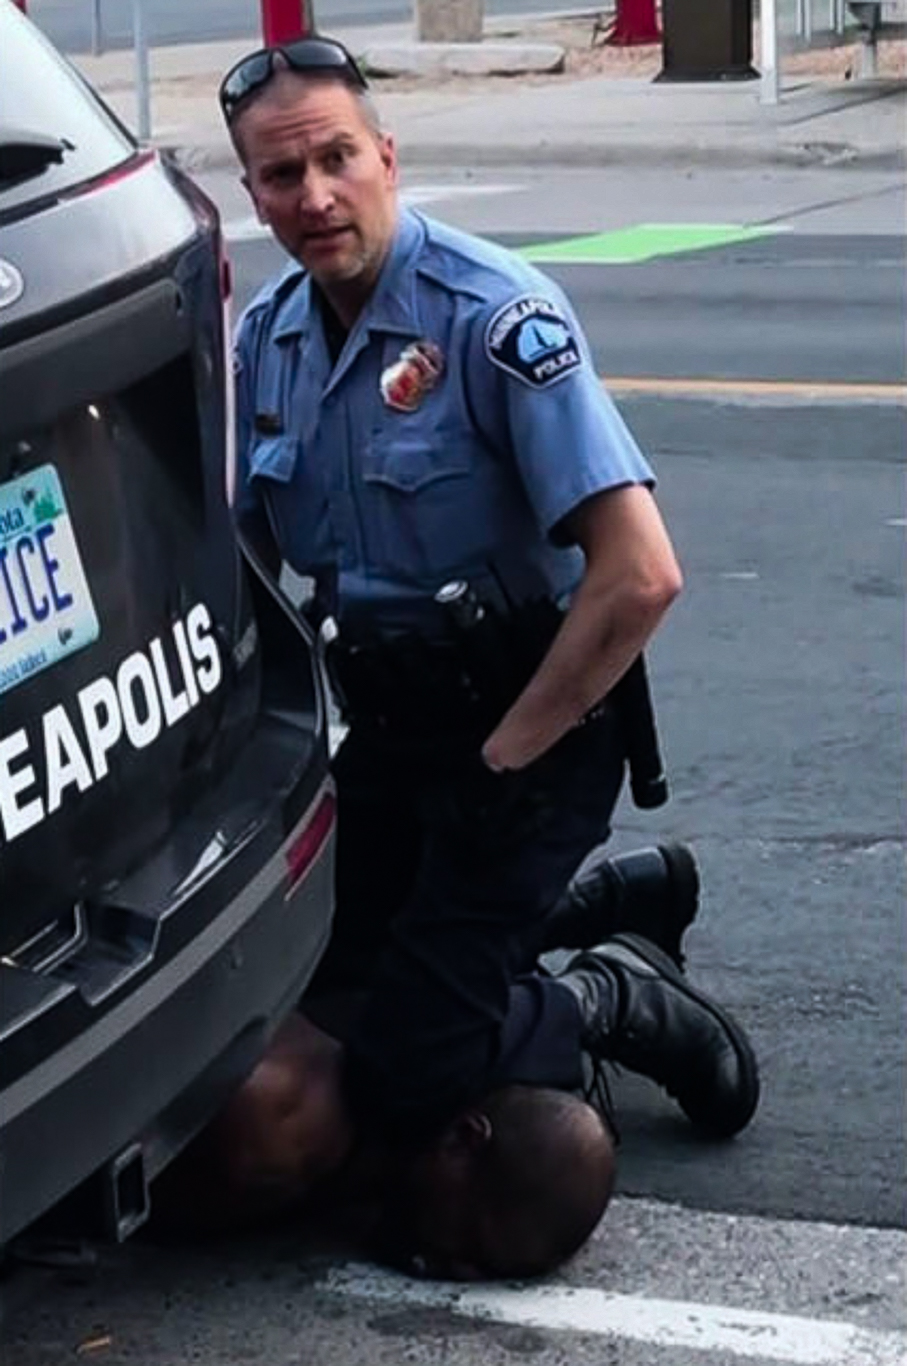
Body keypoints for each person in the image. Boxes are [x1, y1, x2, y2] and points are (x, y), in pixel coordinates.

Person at [220, 35, 759, 1152]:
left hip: (533, 730)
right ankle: (584, 906)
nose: (314, 195)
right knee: (311, 989)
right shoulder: (264, 345)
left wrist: (504, 758)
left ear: (386, 155)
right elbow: (244, 568)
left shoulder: (493, 316)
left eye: (336, 158)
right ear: (252, 193)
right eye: (282, 175)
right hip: (388, 731)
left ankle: (609, 994)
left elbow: (640, 575)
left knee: (408, 1065)